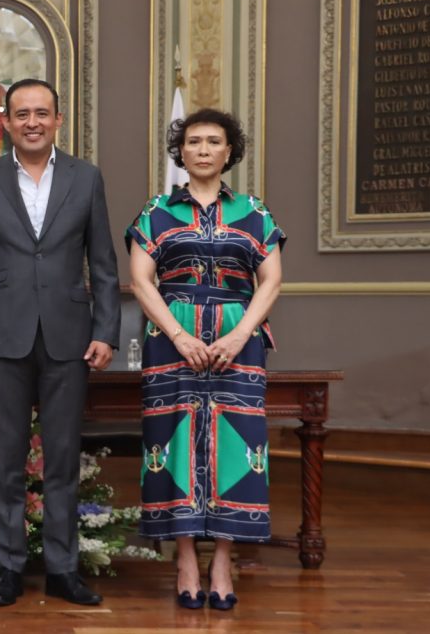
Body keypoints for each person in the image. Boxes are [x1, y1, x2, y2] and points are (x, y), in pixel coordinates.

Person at [0, 78, 121, 606]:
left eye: (41, 113)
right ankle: (8, 569)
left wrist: (106, 330)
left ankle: (63, 570)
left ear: (58, 120)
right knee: (5, 460)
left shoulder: (86, 178)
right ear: (5, 121)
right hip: (1, 336)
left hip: (70, 338)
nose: (31, 122)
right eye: (21, 113)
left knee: (63, 459)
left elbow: (105, 265)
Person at [126, 108, 285, 611]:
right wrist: (177, 334)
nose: (202, 149)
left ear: (229, 152)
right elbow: (141, 281)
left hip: (238, 343)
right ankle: (186, 557)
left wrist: (240, 334)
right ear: (181, 151)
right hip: (172, 341)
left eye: (213, 141)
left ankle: (223, 559)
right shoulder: (156, 212)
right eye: (193, 141)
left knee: (236, 446)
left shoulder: (255, 213)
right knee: (172, 443)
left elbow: (272, 281)